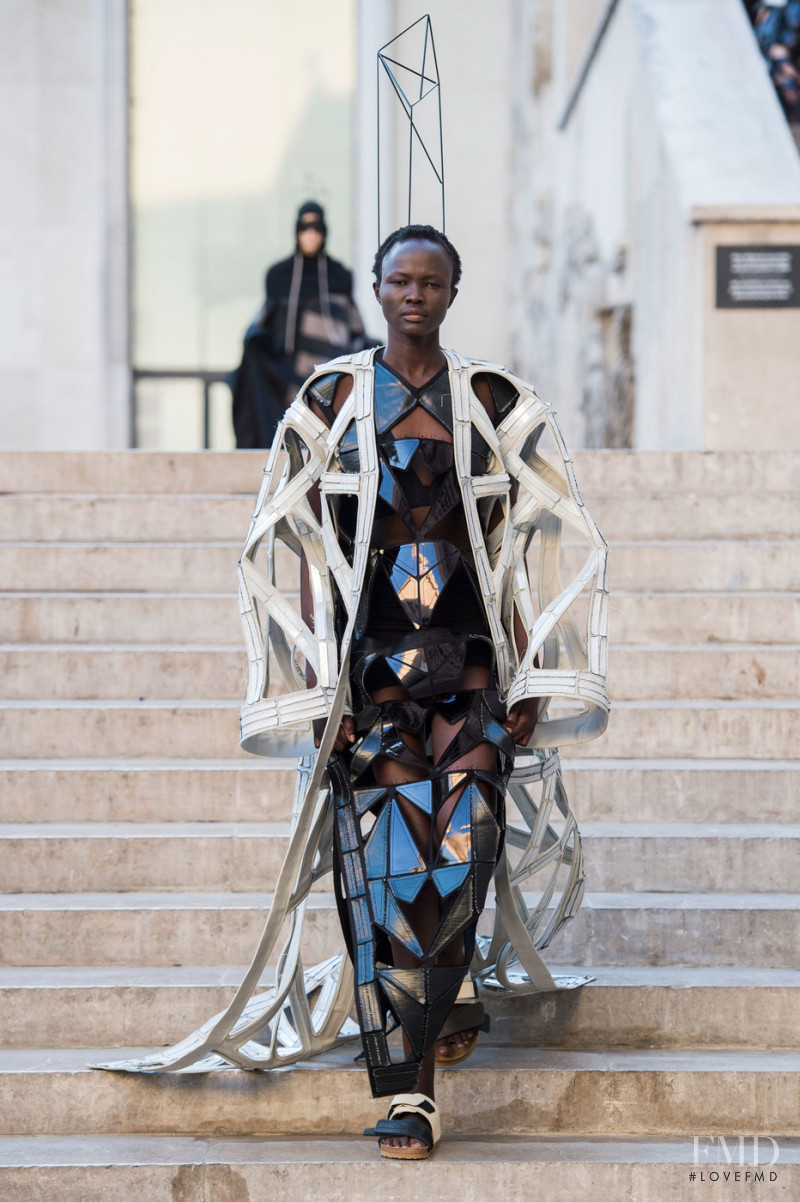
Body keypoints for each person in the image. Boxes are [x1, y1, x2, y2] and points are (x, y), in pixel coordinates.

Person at [100, 225, 608, 1161]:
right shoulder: (331, 400)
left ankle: (446, 996)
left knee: (464, 844)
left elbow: (526, 547)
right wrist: (310, 681)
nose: (414, 295)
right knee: (380, 871)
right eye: (400, 280)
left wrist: (533, 665)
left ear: (454, 292)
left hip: (471, 674)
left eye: (432, 282)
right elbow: (295, 549)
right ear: (375, 288)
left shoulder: (490, 401)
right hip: (370, 678)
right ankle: (409, 1094)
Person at [231, 201, 373, 447]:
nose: (311, 235)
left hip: (330, 373)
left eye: (317, 229)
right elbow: (264, 319)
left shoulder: (339, 276)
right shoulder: (279, 276)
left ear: (324, 232)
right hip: (286, 374)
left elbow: (354, 326)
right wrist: (256, 339)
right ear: (296, 231)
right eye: (305, 229)